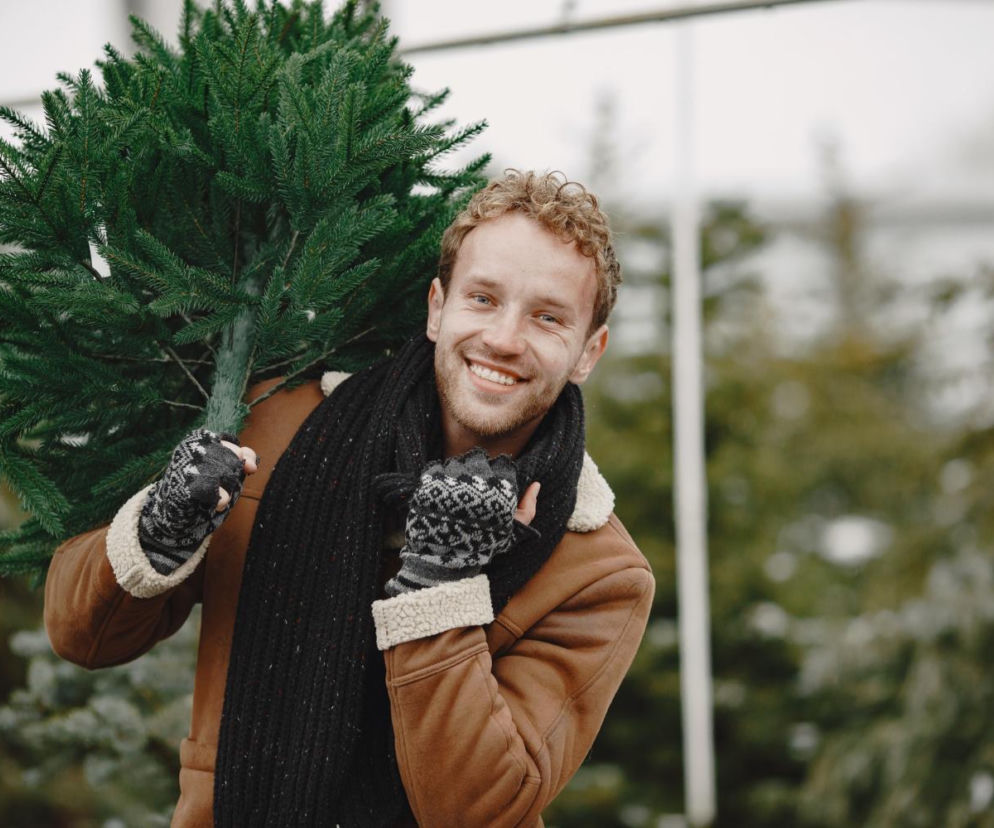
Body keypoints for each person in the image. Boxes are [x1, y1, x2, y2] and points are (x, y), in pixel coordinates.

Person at [44, 170, 655, 827]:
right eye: (483, 299)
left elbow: (479, 809)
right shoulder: (279, 429)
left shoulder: (598, 573)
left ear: (589, 351)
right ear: (436, 307)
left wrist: (440, 584)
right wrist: (159, 531)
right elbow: (83, 637)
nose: (504, 338)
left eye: (547, 316)